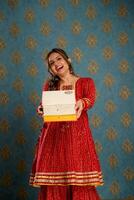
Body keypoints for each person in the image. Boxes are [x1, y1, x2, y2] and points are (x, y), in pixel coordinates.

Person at [29, 48, 103, 200]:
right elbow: (44, 105)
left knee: (79, 184)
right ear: (51, 69)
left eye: (59, 59)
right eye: (51, 63)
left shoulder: (86, 82)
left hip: (77, 138)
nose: (56, 63)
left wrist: (82, 103)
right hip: (53, 139)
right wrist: (41, 108)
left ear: (68, 60)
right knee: (53, 185)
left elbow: (90, 99)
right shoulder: (49, 85)